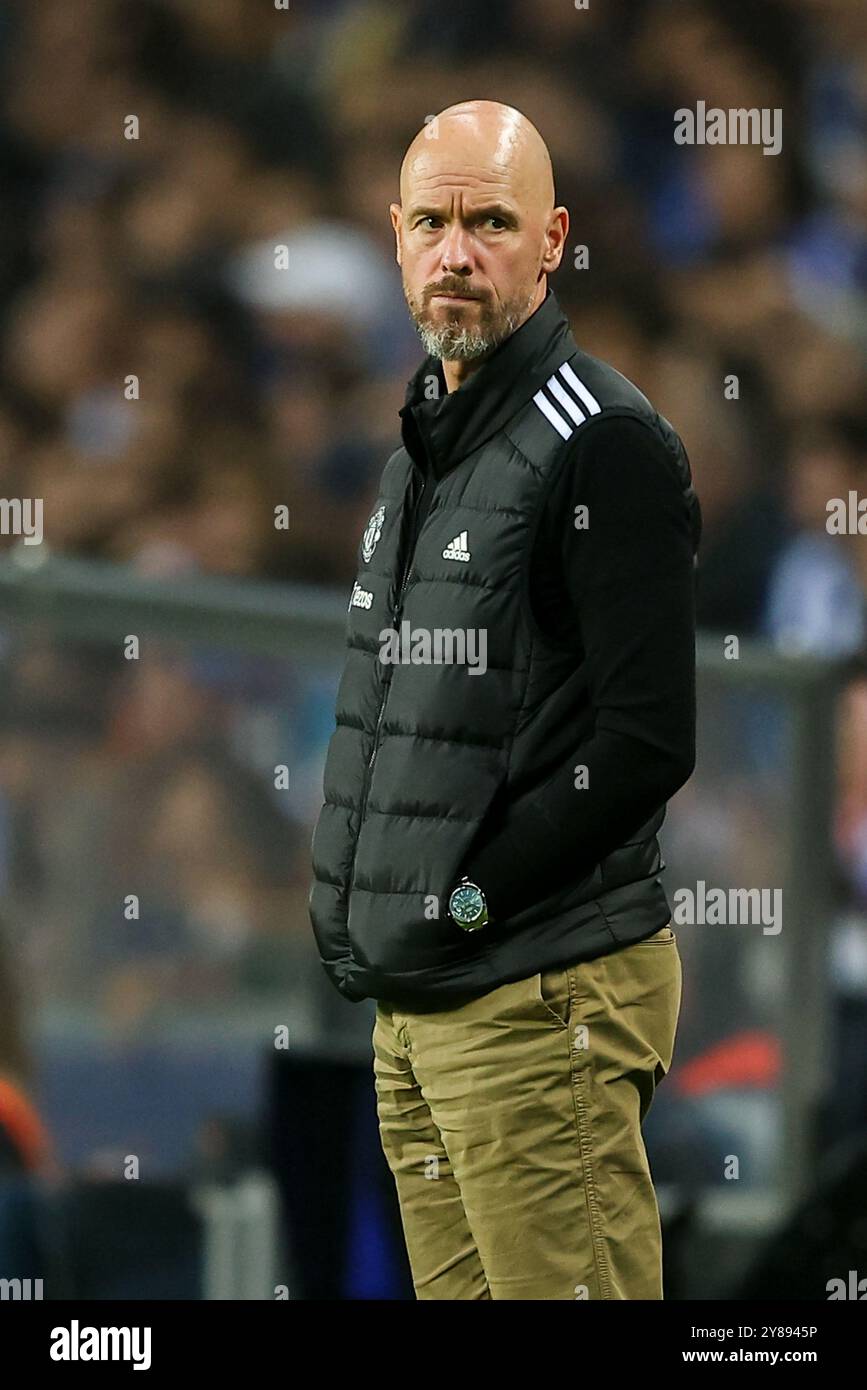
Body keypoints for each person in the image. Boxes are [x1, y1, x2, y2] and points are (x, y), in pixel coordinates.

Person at [308, 100, 701, 1299]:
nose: (457, 252)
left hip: (539, 996)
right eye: (432, 222)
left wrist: (471, 897)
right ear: (394, 237)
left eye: (491, 222)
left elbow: (645, 741)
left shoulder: (605, 443)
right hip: (421, 1007)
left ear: (553, 239)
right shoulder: (423, 447)